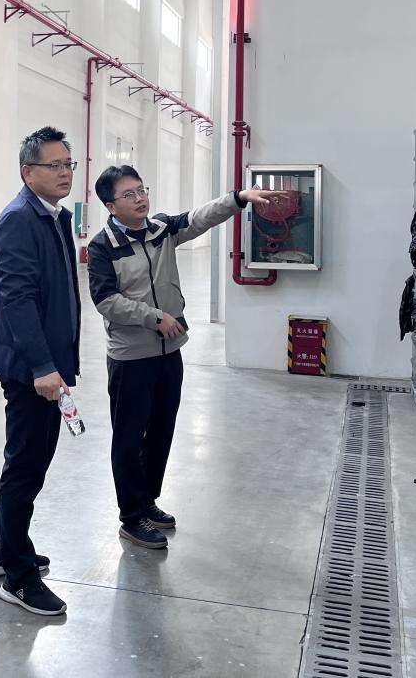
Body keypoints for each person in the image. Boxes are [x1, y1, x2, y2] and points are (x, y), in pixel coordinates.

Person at [86, 166, 277, 549]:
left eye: (141, 190)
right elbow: (105, 300)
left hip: (168, 352)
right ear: (110, 205)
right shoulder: (103, 246)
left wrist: (239, 198)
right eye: (128, 194)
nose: (140, 198)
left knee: (161, 432)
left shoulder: (161, 229)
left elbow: (200, 217)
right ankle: (131, 517)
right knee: (129, 439)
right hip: (130, 357)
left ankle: (147, 501)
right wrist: (155, 318)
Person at [0, 126, 80, 616]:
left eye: (68, 164)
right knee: (26, 464)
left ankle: (4, 548)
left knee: (29, 460)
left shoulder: (53, 215)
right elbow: (16, 298)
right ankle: (18, 578)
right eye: (53, 166)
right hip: (28, 367)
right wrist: (42, 366)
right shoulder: (19, 220)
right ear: (27, 172)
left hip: (46, 360)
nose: (65, 173)